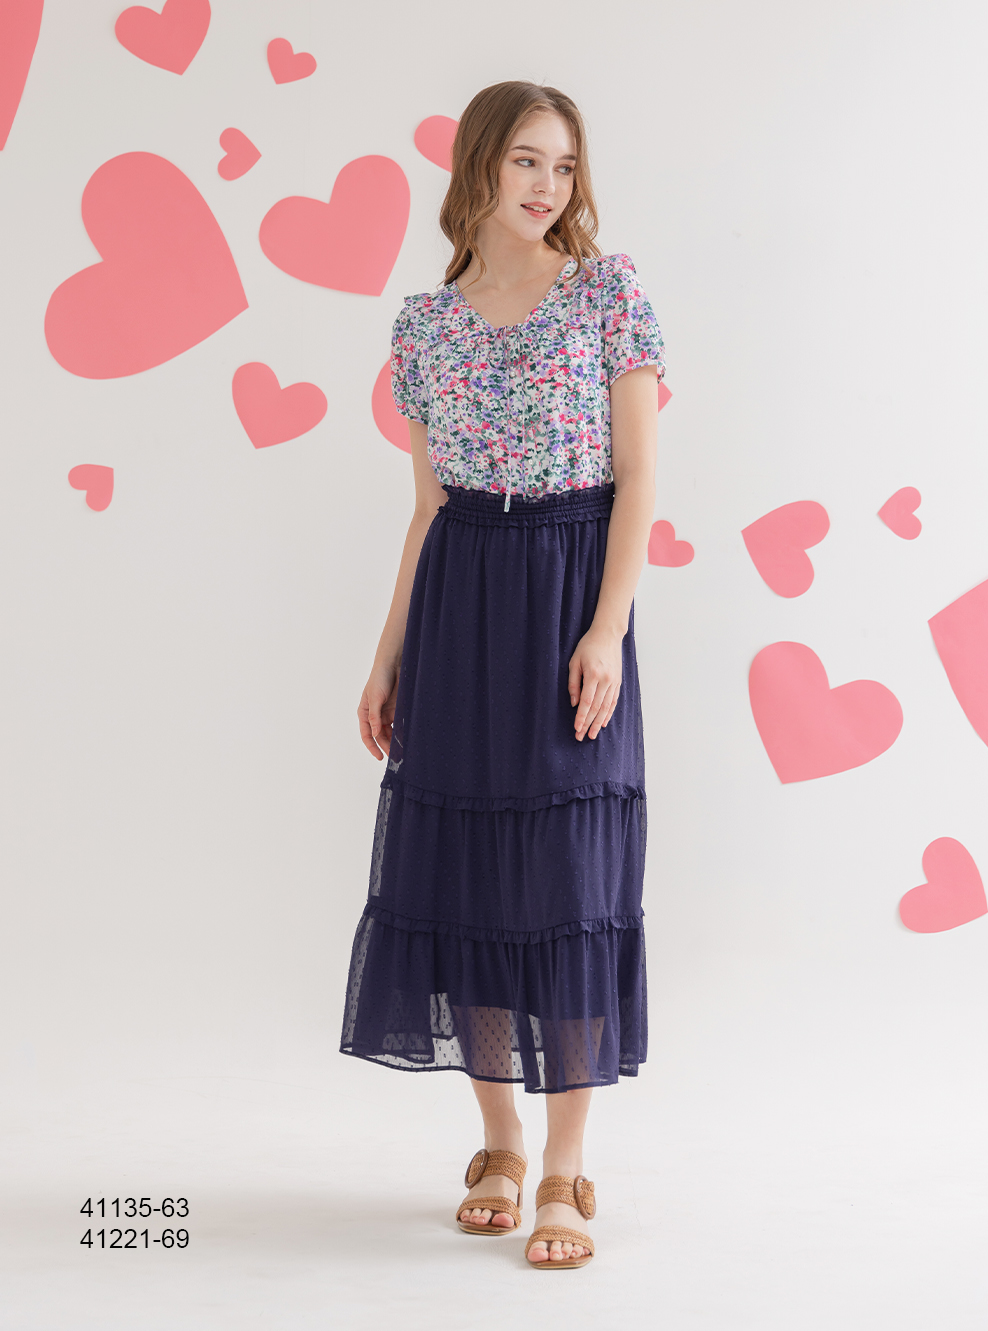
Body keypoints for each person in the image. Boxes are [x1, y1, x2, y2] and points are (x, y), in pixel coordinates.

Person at [341, 80, 665, 1270]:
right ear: (478, 166)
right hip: (461, 600)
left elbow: (638, 475)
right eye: (526, 160)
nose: (546, 186)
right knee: (469, 874)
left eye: (563, 166)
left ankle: (567, 1160)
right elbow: (426, 506)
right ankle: (498, 1140)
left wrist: (605, 629)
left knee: (566, 878)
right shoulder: (423, 325)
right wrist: (387, 655)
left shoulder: (607, 293)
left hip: (570, 591)